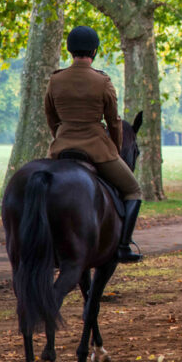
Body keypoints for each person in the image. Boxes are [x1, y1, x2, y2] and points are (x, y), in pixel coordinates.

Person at [45, 26, 143, 263]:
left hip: (61, 147)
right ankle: (122, 246)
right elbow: (114, 121)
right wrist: (116, 149)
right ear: (95, 51)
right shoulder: (102, 81)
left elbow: (51, 117)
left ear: (70, 51)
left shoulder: (56, 79)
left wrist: (60, 137)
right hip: (97, 148)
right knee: (133, 191)